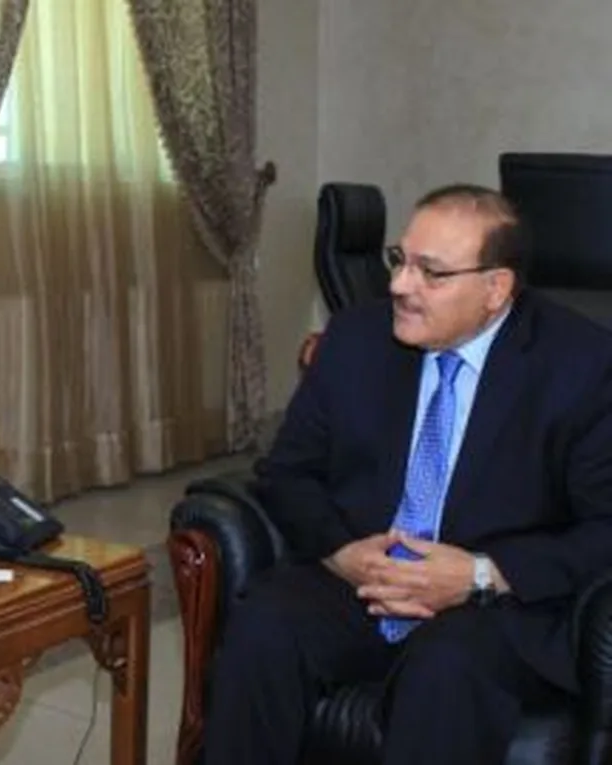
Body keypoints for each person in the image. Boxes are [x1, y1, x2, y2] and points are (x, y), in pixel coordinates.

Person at [205, 184, 612, 764]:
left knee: (446, 666)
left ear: (495, 288)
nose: (399, 285)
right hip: (367, 579)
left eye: (431, 272)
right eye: (400, 260)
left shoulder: (583, 366)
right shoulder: (355, 338)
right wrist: (343, 552)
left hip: (495, 604)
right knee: (264, 626)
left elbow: (604, 528)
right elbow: (287, 472)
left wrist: (479, 575)